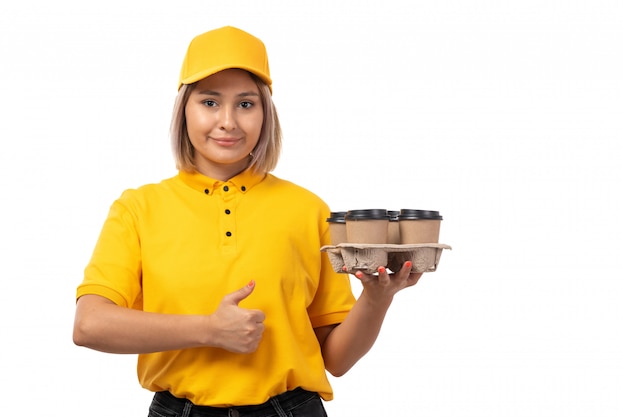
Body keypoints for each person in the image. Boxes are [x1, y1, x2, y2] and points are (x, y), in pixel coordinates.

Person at [73, 25, 422, 417]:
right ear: (184, 109)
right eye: (209, 102)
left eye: (245, 104)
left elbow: (336, 359)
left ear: (265, 113)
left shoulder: (308, 210)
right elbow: (89, 325)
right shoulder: (138, 208)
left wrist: (376, 300)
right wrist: (209, 330)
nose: (228, 121)